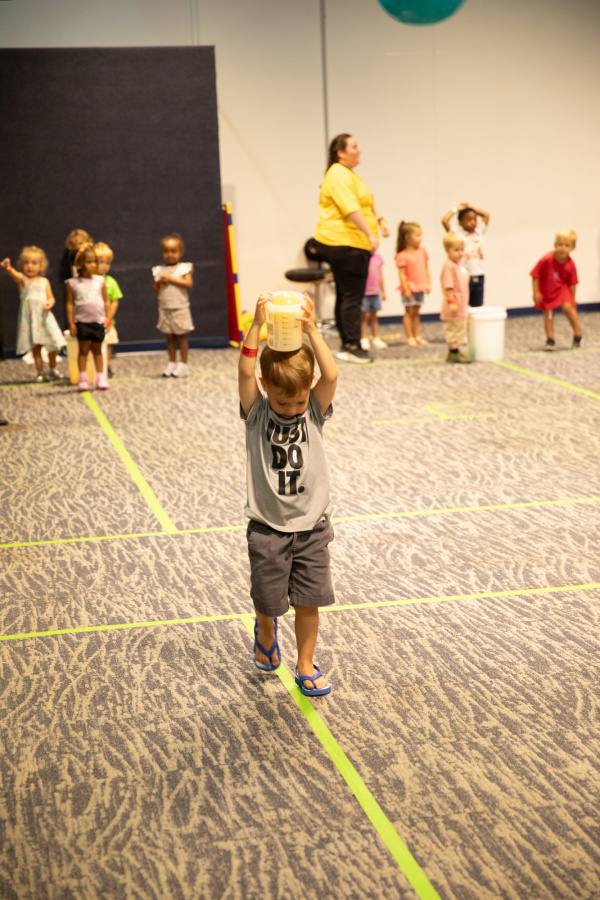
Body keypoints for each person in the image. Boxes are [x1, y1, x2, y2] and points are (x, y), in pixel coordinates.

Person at [239, 292, 337, 697]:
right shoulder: (257, 412)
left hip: (312, 526)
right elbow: (245, 371)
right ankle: (265, 630)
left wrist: (312, 329)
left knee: (309, 601)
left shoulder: (313, 410)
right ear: (266, 388)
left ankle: (305, 663)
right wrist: (256, 325)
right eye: (284, 401)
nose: (293, 408)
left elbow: (331, 376)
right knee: (268, 599)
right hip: (268, 528)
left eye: (299, 400)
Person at [312, 134, 389, 364]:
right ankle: (352, 346)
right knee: (352, 297)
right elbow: (350, 208)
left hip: (350, 244)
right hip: (345, 243)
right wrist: (369, 233)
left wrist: (380, 220)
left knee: (346, 295)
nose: (359, 151)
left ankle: (348, 344)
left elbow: (366, 202)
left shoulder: (349, 174)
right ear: (341, 152)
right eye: (354, 147)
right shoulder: (337, 173)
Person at [1, 247, 65, 381]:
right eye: (26, 262)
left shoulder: (44, 282)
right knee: (36, 348)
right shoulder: (24, 280)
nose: (29, 266)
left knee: (53, 345)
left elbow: (51, 298)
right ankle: (40, 372)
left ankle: (52, 369)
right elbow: (15, 275)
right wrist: (8, 268)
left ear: (41, 266)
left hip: (44, 319)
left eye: (34, 263)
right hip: (32, 322)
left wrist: (50, 303)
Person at [65, 243, 110, 391]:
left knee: (97, 350)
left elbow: (106, 300)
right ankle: (82, 378)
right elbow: (70, 303)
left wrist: (108, 318)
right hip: (82, 322)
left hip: (98, 321)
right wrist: (71, 322)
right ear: (79, 264)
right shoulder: (72, 283)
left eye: (94, 261)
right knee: (83, 350)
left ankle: (100, 377)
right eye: (89, 261)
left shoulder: (100, 281)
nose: (93, 265)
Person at [530, 230, 581, 351]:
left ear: (573, 248)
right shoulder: (546, 259)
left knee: (568, 308)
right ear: (555, 244)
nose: (563, 248)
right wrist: (536, 292)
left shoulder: (571, 264)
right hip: (547, 289)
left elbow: (573, 284)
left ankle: (577, 333)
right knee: (548, 313)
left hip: (562, 289)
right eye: (560, 244)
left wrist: (572, 300)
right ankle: (550, 339)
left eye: (567, 245)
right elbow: (535, 275)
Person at [152, 233, 194, 377]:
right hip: (165, 308)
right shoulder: (159, 270)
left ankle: (183, 364)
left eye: (173, 251)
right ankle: (172, 362)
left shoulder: (184, 268)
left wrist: (171, 279)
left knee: (181, 336)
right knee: (169, 337)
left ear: (180, 252)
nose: (170, 254)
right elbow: (155, 288)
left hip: (180, 308)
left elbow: (188, 284)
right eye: (166, 251)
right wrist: (159, 282)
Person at [441, 203, 489, 307]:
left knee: (478, 304)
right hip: (465, 274)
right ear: (460, 223)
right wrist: (456, 209)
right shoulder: (458, 233)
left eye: (474, 219)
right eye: (468, 219)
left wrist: (471, 208)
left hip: (479, 274)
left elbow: (486, 215)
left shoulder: (479, 232)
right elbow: (444, 221)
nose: (473, 222)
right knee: (463, 303)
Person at [395, 221, 431, 347]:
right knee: (409, 312)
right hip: (410, 287)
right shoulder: (402, 255)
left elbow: (426, 268)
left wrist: (427, 283)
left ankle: (417, 335)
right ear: (407, 238)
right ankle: (410, 336)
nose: (420, 238)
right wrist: (406, 289)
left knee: (416, 312)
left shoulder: (422, 252)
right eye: (417, 235)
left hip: (420, 286)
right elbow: (402, 274)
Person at [440, 233, 472, 364]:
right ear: (447, 250)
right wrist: (452, 301)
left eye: (461, 249)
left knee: (459, 328)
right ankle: (453, 352)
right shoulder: (449, 266)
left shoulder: (457, 265)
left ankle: (454, 351)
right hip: (453, 305)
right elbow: (448, 286)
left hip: (461, 305)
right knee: (453, 329)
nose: (460, 253)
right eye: (456, 250)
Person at [94, 242, 123, 377]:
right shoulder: (88, 281)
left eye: (108, 262)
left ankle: (107, 366)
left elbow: (114, 301)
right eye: (101, 262)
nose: (105, 266)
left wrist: (109, 318)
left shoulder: (111, 282)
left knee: (108, 344)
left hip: (107, 322)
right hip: (92, 321)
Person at [360, 251, 388, 350]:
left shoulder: (378, 257)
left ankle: (375, 337)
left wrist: (383, 291)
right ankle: (363, 338)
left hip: (376, 292)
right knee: (364, 317)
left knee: (374, 316)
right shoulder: (362, 257)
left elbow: (380, 275)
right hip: (365, 293)